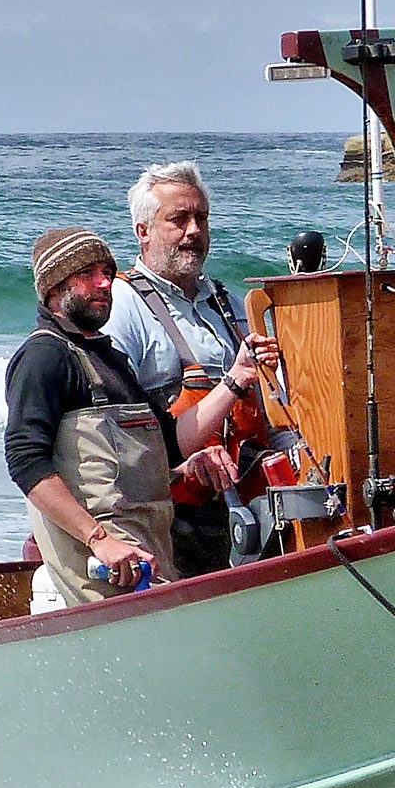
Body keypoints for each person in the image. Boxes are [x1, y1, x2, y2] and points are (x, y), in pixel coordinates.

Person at [4, 225, 238, 608]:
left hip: (149, 556)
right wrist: (101, 541)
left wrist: (186, 466)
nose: (104, 283)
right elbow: (26, 463)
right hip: (105, 570)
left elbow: (169, 441)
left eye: (107, 273)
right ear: (54, 289)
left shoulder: (111, 359)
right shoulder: (45, 357)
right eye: (87, 275)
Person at [101, 161, 282, 576]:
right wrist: (234, 381)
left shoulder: (228, 301)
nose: (194, 231)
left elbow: (272, 402)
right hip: (174, 514)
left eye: (201, 218)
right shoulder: (122, 307)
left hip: (246, 501)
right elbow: (117, 434)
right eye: (178, 220)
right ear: (142, 231)